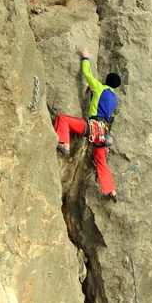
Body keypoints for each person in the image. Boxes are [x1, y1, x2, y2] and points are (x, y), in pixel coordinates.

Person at [53, 47, 122, 202]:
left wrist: (85, 57)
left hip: (91, 128)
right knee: (101, 161)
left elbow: (87, 73)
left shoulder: (100, 88)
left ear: (106, 80)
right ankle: (112, 191)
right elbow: (101, 106)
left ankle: (65, 145)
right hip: (103, 133)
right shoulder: (114, 98)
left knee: (63, 119)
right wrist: (93, 94)